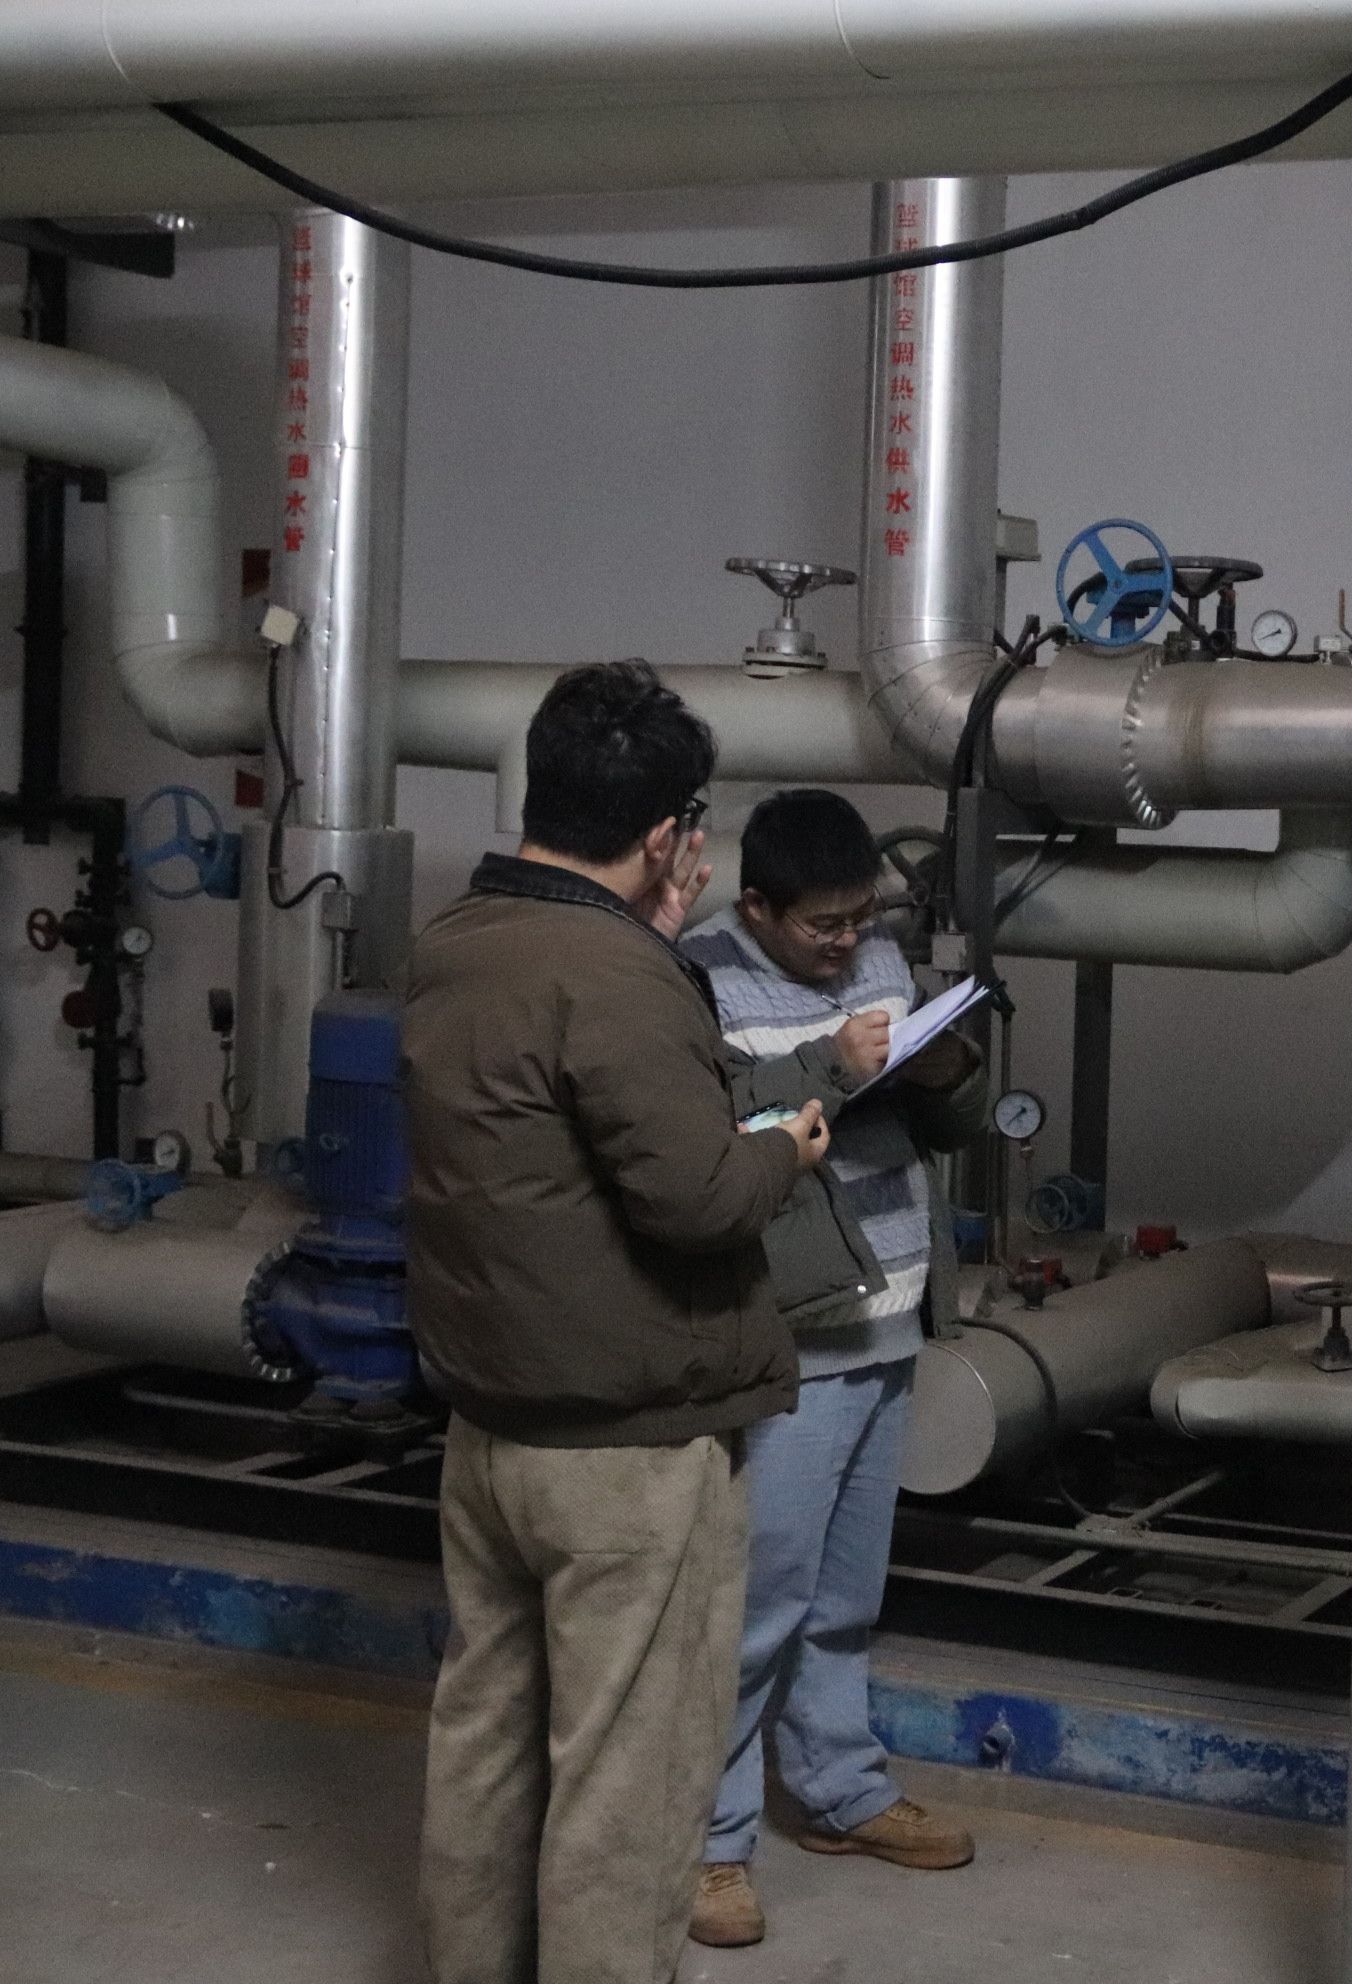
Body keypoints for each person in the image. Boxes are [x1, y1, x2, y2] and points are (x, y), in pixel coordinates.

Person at [406, 661, 833, 1984]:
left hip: (490, 1431)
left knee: (485, 1740)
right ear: (665, 836)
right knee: (627, 1787)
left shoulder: (456, 941)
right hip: (628, 1459)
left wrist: (646, 937)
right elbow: (700, 1199)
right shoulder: (620, 973)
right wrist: (790, 1147)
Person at [677, 788, 991, 1949]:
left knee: (846, 1595)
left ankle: (840, 1789)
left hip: (891, 1314)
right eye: (824, 924)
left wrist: (944, 1065)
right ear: (757, 905)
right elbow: (703, 1143)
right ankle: (710, 1844)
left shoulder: (880, 959)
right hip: (793, 1336)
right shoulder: (697, 977)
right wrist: (831, 1062)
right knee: (759, 1600)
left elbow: (945, 1128)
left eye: (862, 917)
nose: (848, 941)